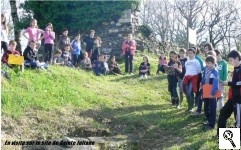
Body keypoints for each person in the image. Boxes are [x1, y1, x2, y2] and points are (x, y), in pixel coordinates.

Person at [219, 50, 241, 129]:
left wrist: (228, 83)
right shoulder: (235, 69)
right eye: (229, 61)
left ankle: (236, 139)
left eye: (231, 60)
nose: (230, 62)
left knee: (238, 121)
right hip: (233, 98)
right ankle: (220, 137)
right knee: (223, 113)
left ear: (237, 58)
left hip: (239, 99)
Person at [201, 55, 219, 129]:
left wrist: (212, 93)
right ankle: (209, 121)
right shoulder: (207, 70)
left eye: (209, 63)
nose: (207, 65)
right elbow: (204, 78)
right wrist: (201, 83)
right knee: (206, 107)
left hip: (212, 92)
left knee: (212, 108)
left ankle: (212, 124)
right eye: (206, 63)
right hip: (206, 90)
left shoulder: (215, 72)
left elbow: (215, 83)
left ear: (213, 63)